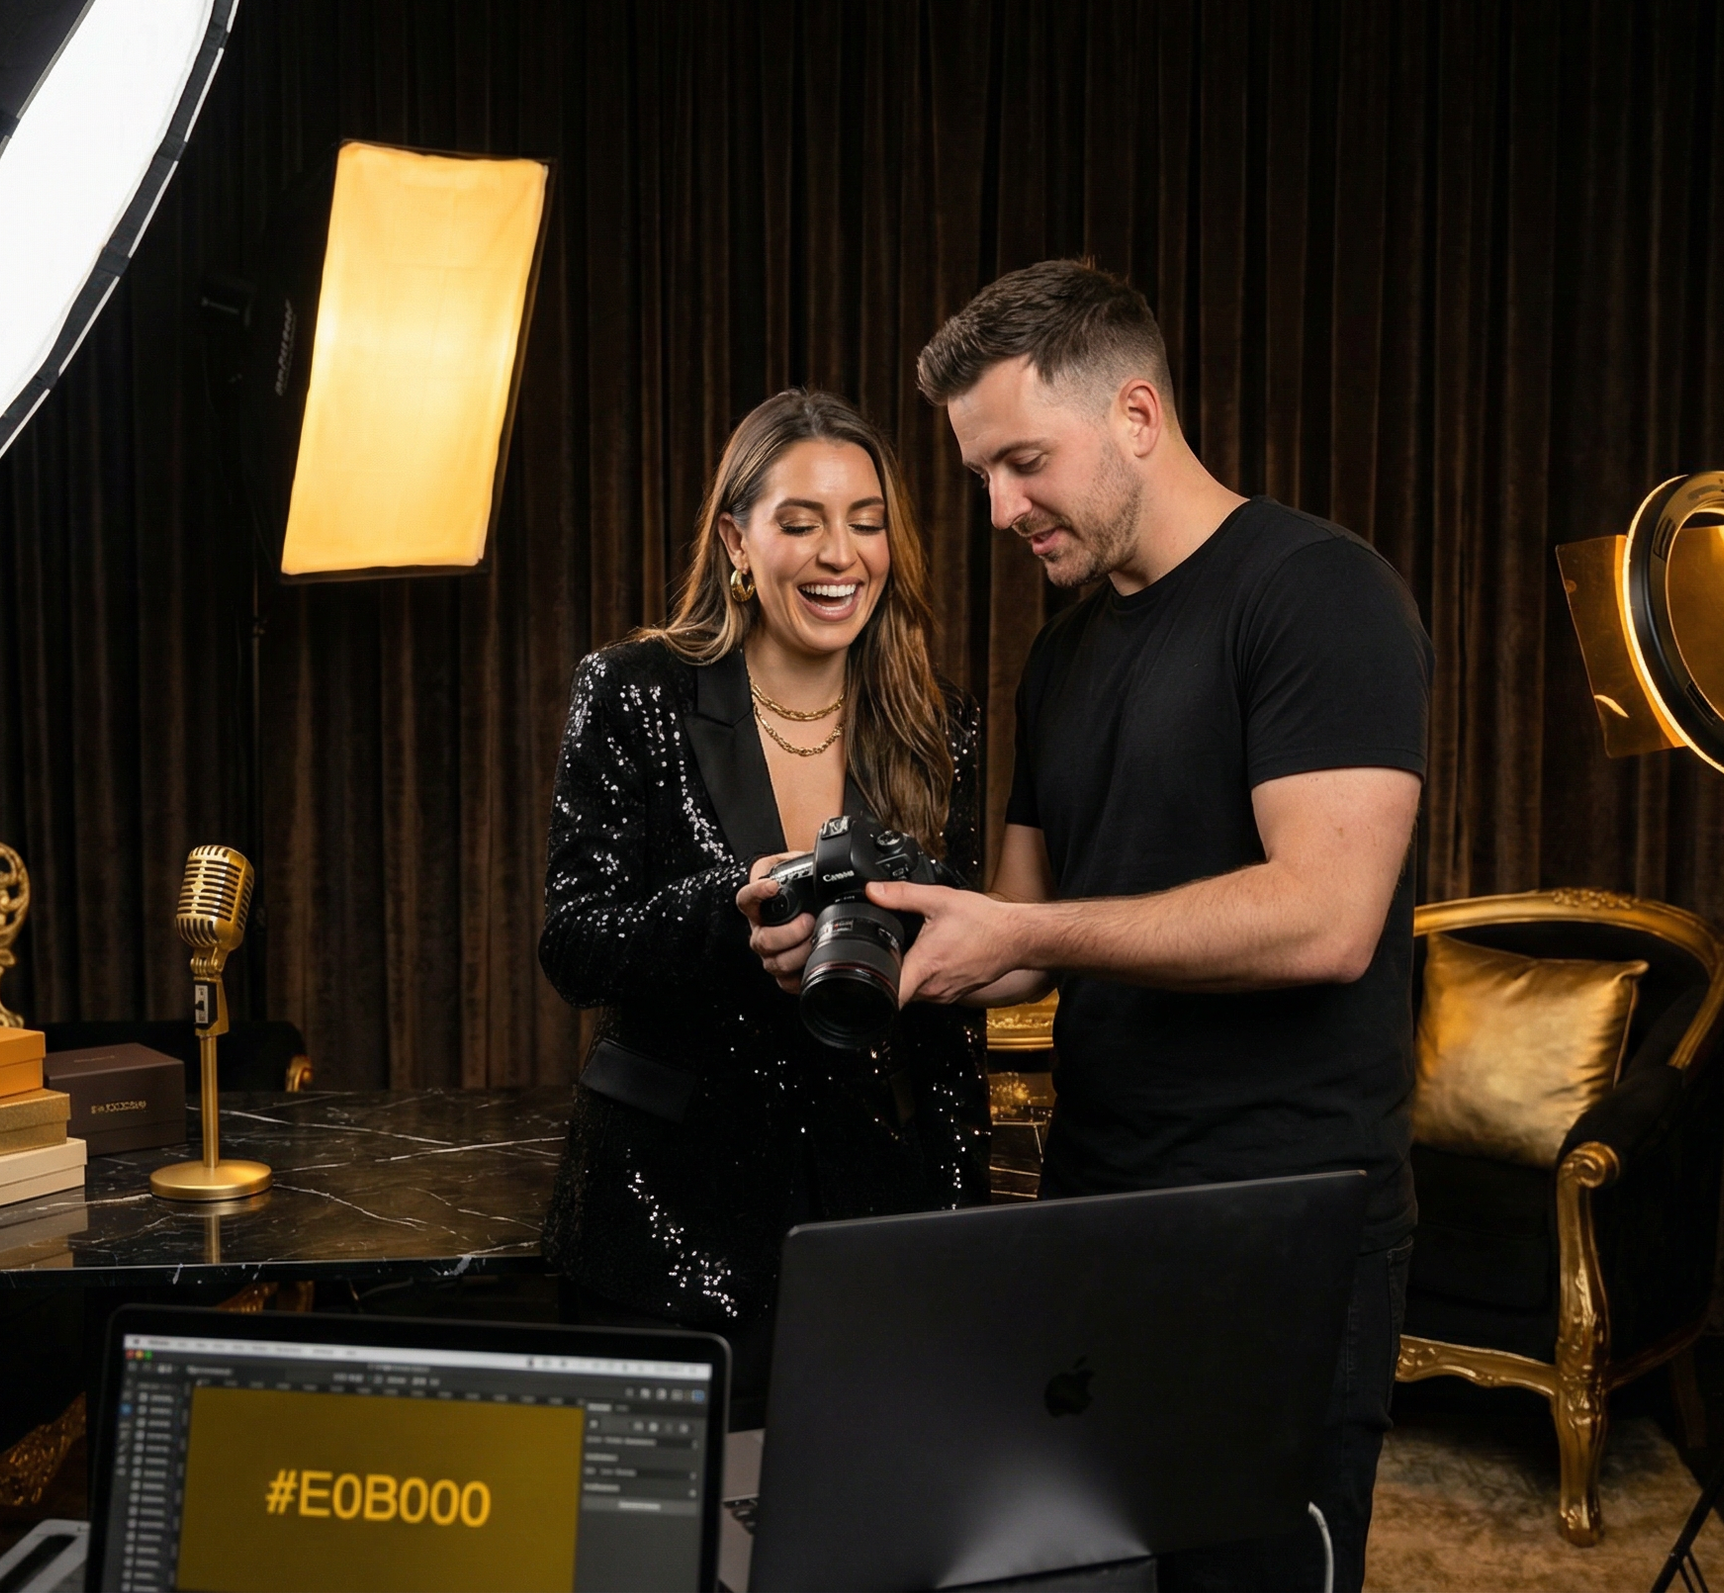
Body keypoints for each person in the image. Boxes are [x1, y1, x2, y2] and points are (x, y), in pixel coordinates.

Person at [746, 262, 1430, 1592]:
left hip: (1276, 1223)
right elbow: (1021, 927)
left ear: (1134, 415)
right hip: (1093, 1207)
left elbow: (1328, 917)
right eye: (981, 473)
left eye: (1022, 461)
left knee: (1253, 1574)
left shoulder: (1320, 596)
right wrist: (878, 938)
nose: (999, 508)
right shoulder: (1062, 653)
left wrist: (1034, 935)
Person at [540, 387, 989, 1426]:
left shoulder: (937, 728)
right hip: (659, 1225)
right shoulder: (633, 689)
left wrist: (960, 1231)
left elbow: (949, 1016)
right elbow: (573, 941)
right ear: (738, 540)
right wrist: (722, 912)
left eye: (865, 521)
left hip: (867, 1228)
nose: (841, 554)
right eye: (801, 523)